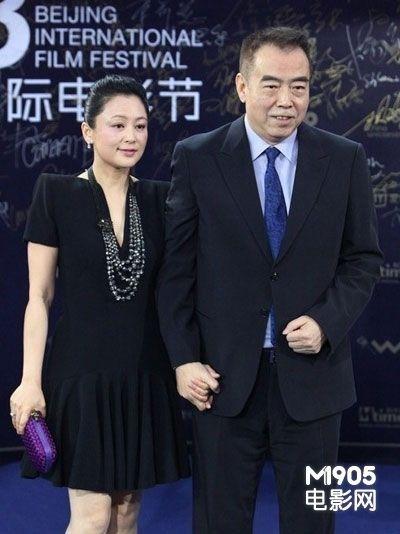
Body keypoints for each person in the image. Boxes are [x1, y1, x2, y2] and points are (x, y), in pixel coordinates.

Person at [157, 27, 383, 534]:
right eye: (272, 85)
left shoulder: (344, 159)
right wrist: (183, 359)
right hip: (221, 382)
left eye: (299, 86)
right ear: (242, 86)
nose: (287, 101)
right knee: (218, 523)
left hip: (315, 384)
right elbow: (175, 272)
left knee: (314, 523)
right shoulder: (197, 157)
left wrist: (326, 322)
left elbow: (363, 260)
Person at [10, 75, 189, 534]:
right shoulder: (55, 193)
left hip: (143, 373)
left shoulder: (160, 199)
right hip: (81, 375)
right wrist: (30, 381)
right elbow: (39, 297)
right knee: (91, 517)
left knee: (126, 515)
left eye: (141, 126)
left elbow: (174, 292)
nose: (132, 137)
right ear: (88, 131)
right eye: (118, 125)